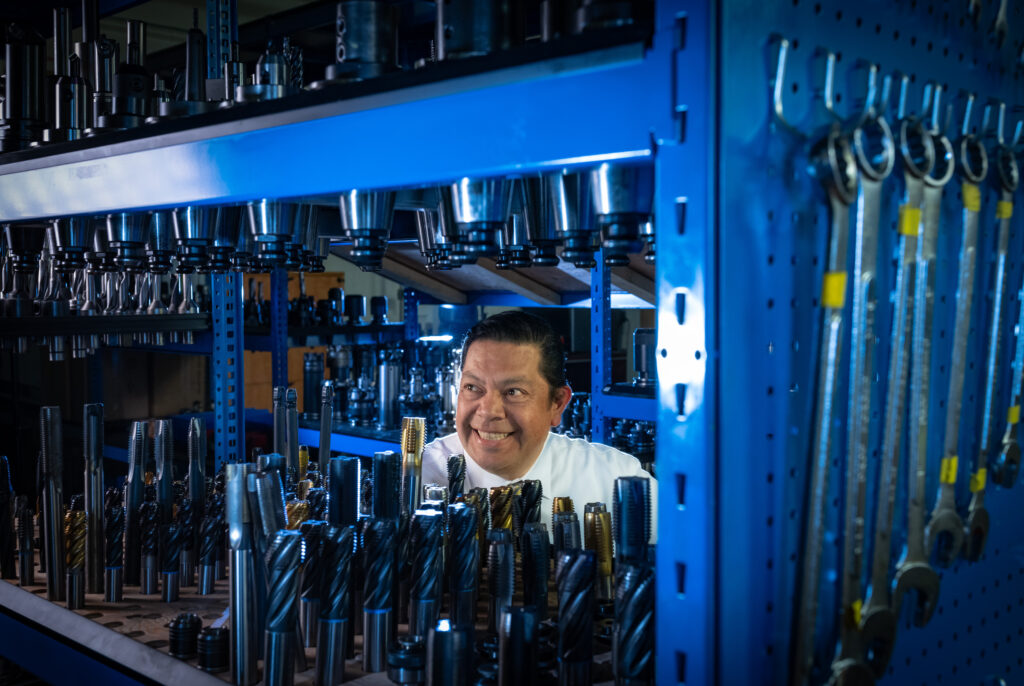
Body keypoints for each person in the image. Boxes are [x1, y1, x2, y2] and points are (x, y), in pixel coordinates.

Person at [421, 310, 657, 540]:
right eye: (472, 387)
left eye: (514, 391)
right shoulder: (420, 476)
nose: (488, 411)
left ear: (557, 404)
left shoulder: (615, 479)